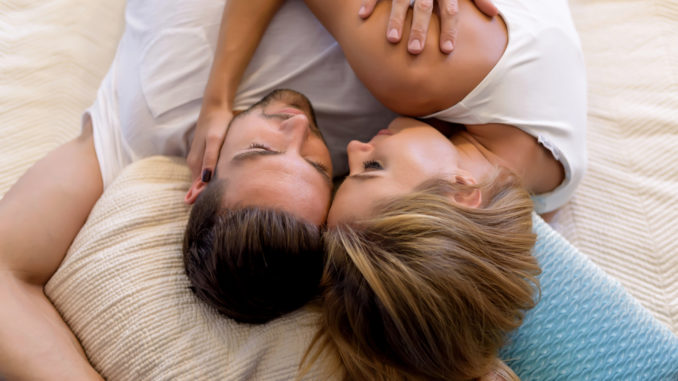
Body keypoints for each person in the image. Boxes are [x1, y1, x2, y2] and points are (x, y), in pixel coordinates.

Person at [1, 0, 491, 378]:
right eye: (320, 170)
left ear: (200, 180)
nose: (298, 127)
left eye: (259, 150)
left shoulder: (139, 125)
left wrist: (219, 94)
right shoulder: (386, 148)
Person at [195, 0, 585, 379]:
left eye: (352, 172)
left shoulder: (548, 190)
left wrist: (216, 100)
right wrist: (216, 101)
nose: (352, 148)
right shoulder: (417, 71)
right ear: (461, 191)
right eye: (372, 167)